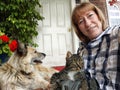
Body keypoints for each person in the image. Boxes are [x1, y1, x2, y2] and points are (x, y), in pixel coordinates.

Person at [71, 2, 120, 90]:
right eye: (81, 21)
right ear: (78, 29)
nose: (88, 23)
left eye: (90, 15)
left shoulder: (116, 34)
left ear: (99, 16)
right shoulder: (81, 50)